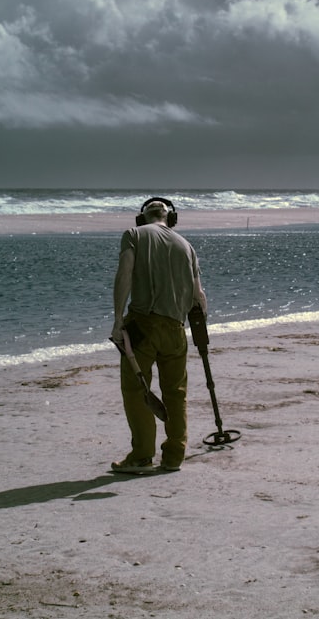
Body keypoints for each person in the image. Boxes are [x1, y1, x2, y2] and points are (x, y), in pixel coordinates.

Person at [110, 197, 207, 474]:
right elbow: (199, 298)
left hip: (142, 326)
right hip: (176, 329)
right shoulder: (187, 246)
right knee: (176, 394)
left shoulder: (134, 235)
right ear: (170, 218)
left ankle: (142, 455)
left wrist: (118, 320)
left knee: (135, 390)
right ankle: (174, 456)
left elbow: (124, 275)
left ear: (142, 218)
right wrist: (199, 331)